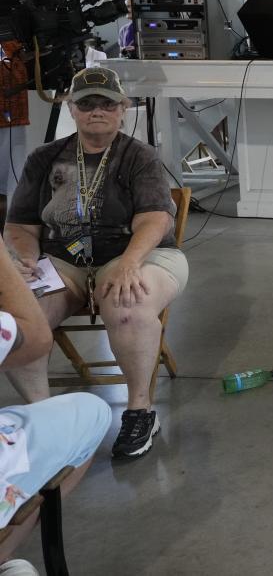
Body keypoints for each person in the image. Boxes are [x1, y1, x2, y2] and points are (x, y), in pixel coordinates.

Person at [4, 67, 188, 459]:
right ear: (72, 109)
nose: (97, 111)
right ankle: (44, 416)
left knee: (128, 303)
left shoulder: (139, 156)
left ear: (123, 108)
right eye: (87, 103)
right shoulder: (44, 158)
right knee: (19, 316)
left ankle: (140, 411)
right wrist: (25, 258)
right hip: (63, 258)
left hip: (137, 252)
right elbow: (20, 223)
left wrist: (130, 262)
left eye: (107, 102)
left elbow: (156, 218)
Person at [0, 232, 109, 573]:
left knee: (130, 302)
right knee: (93, 413)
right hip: (58, 265)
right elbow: (33, 337)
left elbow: (155, 219)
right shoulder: (36, 175)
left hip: (109, 259)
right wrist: (14, 264)